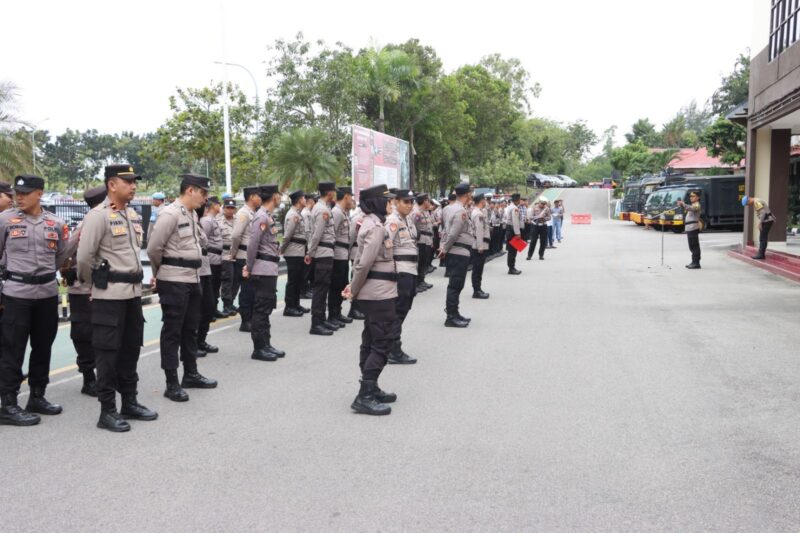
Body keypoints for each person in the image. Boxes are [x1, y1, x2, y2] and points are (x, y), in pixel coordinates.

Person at [77, 165, 157, 432]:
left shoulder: (131, 214)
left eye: (134, 182)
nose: (133, 186)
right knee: (108, 354)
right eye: (128, 182)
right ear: (112, 185)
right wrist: (93, 286)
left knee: (130, 349)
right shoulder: (98, 216)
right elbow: (84, 258)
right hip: (109, 295)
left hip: (133, 294)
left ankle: (130, 402)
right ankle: (107, 410)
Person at [0, 175, 70, 427]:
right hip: (16, 294)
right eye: (17, 193)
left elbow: (61, 256)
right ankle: (8, 404)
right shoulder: (5, 221)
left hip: (47, 294)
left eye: (25, 193)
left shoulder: (55, 222)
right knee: (12, 349)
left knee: (43, 346)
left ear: (39, 193)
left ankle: (37, 396)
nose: (19, 197)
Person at [147, 174, 218, 402]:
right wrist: (161, 274)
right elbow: (154, 249)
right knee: (173, 331)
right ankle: (171, 382)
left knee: (191, 329)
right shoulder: (170, 213)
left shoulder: (191, 214)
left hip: (192, 277)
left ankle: (191, 373)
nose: (205, 198)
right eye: (203, 193)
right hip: (174, 279)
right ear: (190, 190)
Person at [342, 184, 398, 416]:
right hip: (378, 294)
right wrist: (353, 288)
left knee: (371, 338)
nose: (391, 204)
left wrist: (354, 286)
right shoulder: (375, 227)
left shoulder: (373, 223)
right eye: (387, 200)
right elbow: (364, 263)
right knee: (383, 340)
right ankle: (364, 394)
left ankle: (370, 386)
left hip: (376, 292)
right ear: (376, 202)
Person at [61, 185, 108, 398]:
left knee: (103, 331)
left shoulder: (106, 220)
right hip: (82, 288)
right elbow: (65, 252)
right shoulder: (85, 224)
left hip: (102, 287)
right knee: (83, 333)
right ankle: (88, 378)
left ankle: (103, 375)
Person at [245, 184, 285, 361]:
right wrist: (249, 266)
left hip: (269, 268)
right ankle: (259, 348)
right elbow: (253, 244)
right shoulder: (261, 216)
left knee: (266, 307)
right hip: (262, 268)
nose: (281, 198)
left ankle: (266, 344)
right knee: (261, 308)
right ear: (274, 197)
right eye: (279, 195)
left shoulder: (267, 216)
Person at [386, 189, 419, 365]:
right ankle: (393, 348)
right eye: (405, 201)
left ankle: (392, 345)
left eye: (411, 202)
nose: (409, 205)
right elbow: (386, 247)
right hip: (401, 270)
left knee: (404, 308)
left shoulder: (407, 220)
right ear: (396, 202)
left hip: (410, 269)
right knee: (398, 310)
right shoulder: (393, 221)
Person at [439, 183, 474, 328]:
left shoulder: (450, 208)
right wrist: (445, 248)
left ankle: (455, 313)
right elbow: (453, 233)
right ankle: (451, 316)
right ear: (467, 195)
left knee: (456, 284)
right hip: (458, 251)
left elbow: (446, 230)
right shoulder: (460, 211)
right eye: (471, 193)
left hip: (456, 250)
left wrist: (443, 246)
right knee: (455, 285)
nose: (472, 195)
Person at [307, 181, 339, 335]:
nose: (335, 194)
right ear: (330, 193)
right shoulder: (322, 210)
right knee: (320, 289)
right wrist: (310, 253)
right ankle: (316, 323)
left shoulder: (324, 208)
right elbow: (317, 234)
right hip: (323, 253)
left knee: (324, 288)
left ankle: (321, 320)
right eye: (334, 191)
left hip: (326, 252)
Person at [230, 186, 262, 332]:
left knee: (254, 289)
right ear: (251, 197)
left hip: (252, 256)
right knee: (247, 290)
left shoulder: (253, 213)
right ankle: (245, 320)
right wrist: (233, 253)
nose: (260, 198)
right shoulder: (243, 213)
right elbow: (236, 235)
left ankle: (251, 318)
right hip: (243, 256)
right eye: (258, 196)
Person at [280, 190, 309, 317]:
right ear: (298, 200)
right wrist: (282, 249)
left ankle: (295, 304)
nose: (305, 200)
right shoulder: (293, 215)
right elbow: (287, 235)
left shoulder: (298, 214)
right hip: (293, 251)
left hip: (299, 250)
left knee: (298, 279)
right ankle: (289, 307)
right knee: (293, 280)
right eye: (303, 198)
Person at [196, 201, 219, 356]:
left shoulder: (198, 223)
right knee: (195, 311)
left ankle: (201, 340)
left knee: (209, 307)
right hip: (195, 271)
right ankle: (193, 344)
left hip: (205, 268)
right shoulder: (198, 222)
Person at [329, 186, 354, 327]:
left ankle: (337, 313)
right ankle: (332, 315)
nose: (352, 199)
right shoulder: (337, 212)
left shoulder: (343, 212)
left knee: (340, 285)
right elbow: (332, 235)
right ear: (346, 196)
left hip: (343, 254)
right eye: (351, 196)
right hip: (337, 255)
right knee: (335, 286)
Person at [201, 196, 225, 320]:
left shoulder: (213, 220)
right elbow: (202, 240)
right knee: (211, 288)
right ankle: (209, 311)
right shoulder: (207, 221)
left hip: (217, 258)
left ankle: (213, 309)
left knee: (216, 286)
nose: (220, 206)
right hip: (210, 258)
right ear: (213, 206)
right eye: (218, 204)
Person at [218, 197, 238, 316]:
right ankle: (226, 305)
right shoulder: (218, 221)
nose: (230, 210)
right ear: (224, 208)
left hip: (237, 255)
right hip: (225, 255)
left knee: (236, 280)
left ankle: (231, 302)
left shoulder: (238, 220)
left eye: (232, 208)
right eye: (228, 208)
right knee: (227, 280)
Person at [347, 202, 366, 320]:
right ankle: (354, 308)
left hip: (363, 251)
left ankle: (359, 306)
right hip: (356, 251)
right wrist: (347, 253)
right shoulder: (358, 219)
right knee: (356, 279)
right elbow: (351, 238)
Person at [412, 193, 434, 292]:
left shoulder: (425, 212)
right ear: (424, 201)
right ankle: (417, 283)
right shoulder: (416, 212)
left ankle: (422, 280)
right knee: (419, 262)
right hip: (420, 241)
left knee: (424, 262)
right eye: (428, 200)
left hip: (427, 240)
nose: (429, 202)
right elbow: (413, 227)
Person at [742, 195, 777, 259]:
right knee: (763, 237)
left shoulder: (756, 202)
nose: (748, 205)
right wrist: (773, 216)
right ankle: (761, 254)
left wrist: (760, 223)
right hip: (767, 220)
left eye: (747, 204)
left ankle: (761, 254)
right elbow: (766, 209)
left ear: (749, 200)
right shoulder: (757, 200)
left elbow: (763, 213)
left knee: (762, 238)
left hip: (766, 221)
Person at [471, 193, 490, 299]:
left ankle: (478, 289)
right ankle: (476, 291)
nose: (486, 202)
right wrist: (480, 246)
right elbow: (478, 231)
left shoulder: (479, 212)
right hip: (480, 244)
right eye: (485, 200)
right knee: (477, 269)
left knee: (479, 269)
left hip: (481, 243)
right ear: (482, 201)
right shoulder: (478, 214)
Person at [677, 191, 702, 269]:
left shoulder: (697, 205)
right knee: (691, 246)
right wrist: (682, 205)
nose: (691, 197)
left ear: (698, 197)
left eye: (693, 196)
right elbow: (688, 208)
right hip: (690, 228)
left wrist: (683, 204)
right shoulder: (692, 204)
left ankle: (696, 263)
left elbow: (691, 208)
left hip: (693, 228)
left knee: (694, 246)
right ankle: (693, 261)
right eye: (690, 196)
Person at [300, 194, 316, 299]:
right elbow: (307, 231)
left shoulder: (309, 213)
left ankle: (307, 289)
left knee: (309, 270)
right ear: (311, 201)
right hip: (307, 245)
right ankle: (303, 291)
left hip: (309, 244)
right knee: (306, 270)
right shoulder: (306, 214)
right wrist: (310, 249)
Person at [505, 193, 522, 275]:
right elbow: (515, 222)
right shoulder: (514, 208)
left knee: (511, 250)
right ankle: (511, 268)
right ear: (518, 200)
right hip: (512, 230)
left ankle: (511, 267)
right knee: (512, 250)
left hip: (509, 229)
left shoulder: (510, 207)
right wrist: (517, 233)